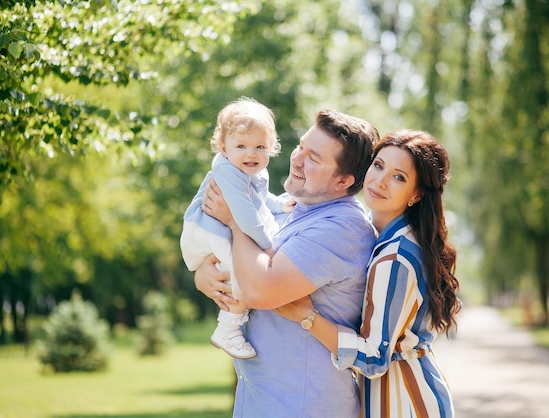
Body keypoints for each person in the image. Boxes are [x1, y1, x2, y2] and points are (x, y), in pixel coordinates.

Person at [196, 109, 380, 417]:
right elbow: (235, 265)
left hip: (301, 403)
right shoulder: (289, 209)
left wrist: (234, 220)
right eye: (301, 146)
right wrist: (204, 275)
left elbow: (260, 290)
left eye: (314, 158)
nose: (297, 159)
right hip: (261, 399)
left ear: (343, 180)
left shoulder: (342, 228)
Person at [276, 129, 462, 418]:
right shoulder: (389, 238)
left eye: (398, 177)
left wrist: (307, 317)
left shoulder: (395, 257)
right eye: (378, 165)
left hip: (404, 405)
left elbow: (375, 358)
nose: (380, 181)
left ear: (416, 194)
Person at [180, 97, 293, 359]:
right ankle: (227, 328)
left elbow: (262, 198)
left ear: (271, 148)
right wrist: (269, 247)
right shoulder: (228, 172)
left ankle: (232, 322)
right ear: (223, 148)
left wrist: (281, 205)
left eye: (260, 146)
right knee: (242, 273)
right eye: (240, 145)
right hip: (207, 229)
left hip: (223, 227)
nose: (250, 153)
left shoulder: (254, 171)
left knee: (242, 268)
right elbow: (244, 218)